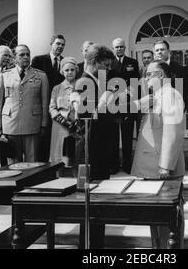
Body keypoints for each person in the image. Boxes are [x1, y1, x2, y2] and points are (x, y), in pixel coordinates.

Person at [131, 60, 185, 249]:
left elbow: (173, 132)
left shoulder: (171, 95)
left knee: (168, 226)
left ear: (161, 75)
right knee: (156, 222)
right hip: (152, 169)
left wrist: (166, 164)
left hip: (162, 170)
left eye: (149, 75)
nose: (145, 79)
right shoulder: (158, 95)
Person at [72, 44, 116, 248]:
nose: (108, 69)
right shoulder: (83, 82)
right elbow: (86, 116)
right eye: (105, 65)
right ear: (94, 63)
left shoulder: (97, 82)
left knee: (98, 207)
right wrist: (106, 101)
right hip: (90, 153)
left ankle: (96, 247)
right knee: (89, 208)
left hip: (99, 151)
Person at [0, 44, 50, 162]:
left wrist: (44, 124)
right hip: (11, 124)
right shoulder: (5, 75)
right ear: (15, 58)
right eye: (21, 55)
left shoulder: (41, 75)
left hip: (32, 124)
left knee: (32, 162)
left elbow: (45, 102)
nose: (25, 57)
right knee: (13, 164)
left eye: (27, 54)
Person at [31, 34, 66, 162]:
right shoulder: (38, 60)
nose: (60, 47)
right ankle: (41, 166)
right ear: (51, 44)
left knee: (56, 138)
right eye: (58, 44)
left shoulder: (64, 62)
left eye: (62, 45)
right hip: (41, 105)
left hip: (58, 107)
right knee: (42, 139)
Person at [110, 38, 140, 174]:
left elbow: (136, 81)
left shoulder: (132, 62)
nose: (119, 49)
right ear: (113, 48)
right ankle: (114, 165)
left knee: (127, 137)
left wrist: (128, 91)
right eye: (117, 47)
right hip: (114, 104)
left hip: (128, 103)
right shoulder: (110, 63)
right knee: (114, 137)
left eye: (121, 47)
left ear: (125, 48)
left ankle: (128, 165)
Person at [49, 57, 80, 173]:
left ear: (76, 70)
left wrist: (77, 121)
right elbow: (52, 108)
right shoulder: (56, 88)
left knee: (75, 156)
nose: (70, 72)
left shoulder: (82, 86)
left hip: (76, 126)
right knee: (59, 155)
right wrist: (63, 121)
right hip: (60, 126)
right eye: (67, 70)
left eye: (72, 70)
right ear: (62, 72)